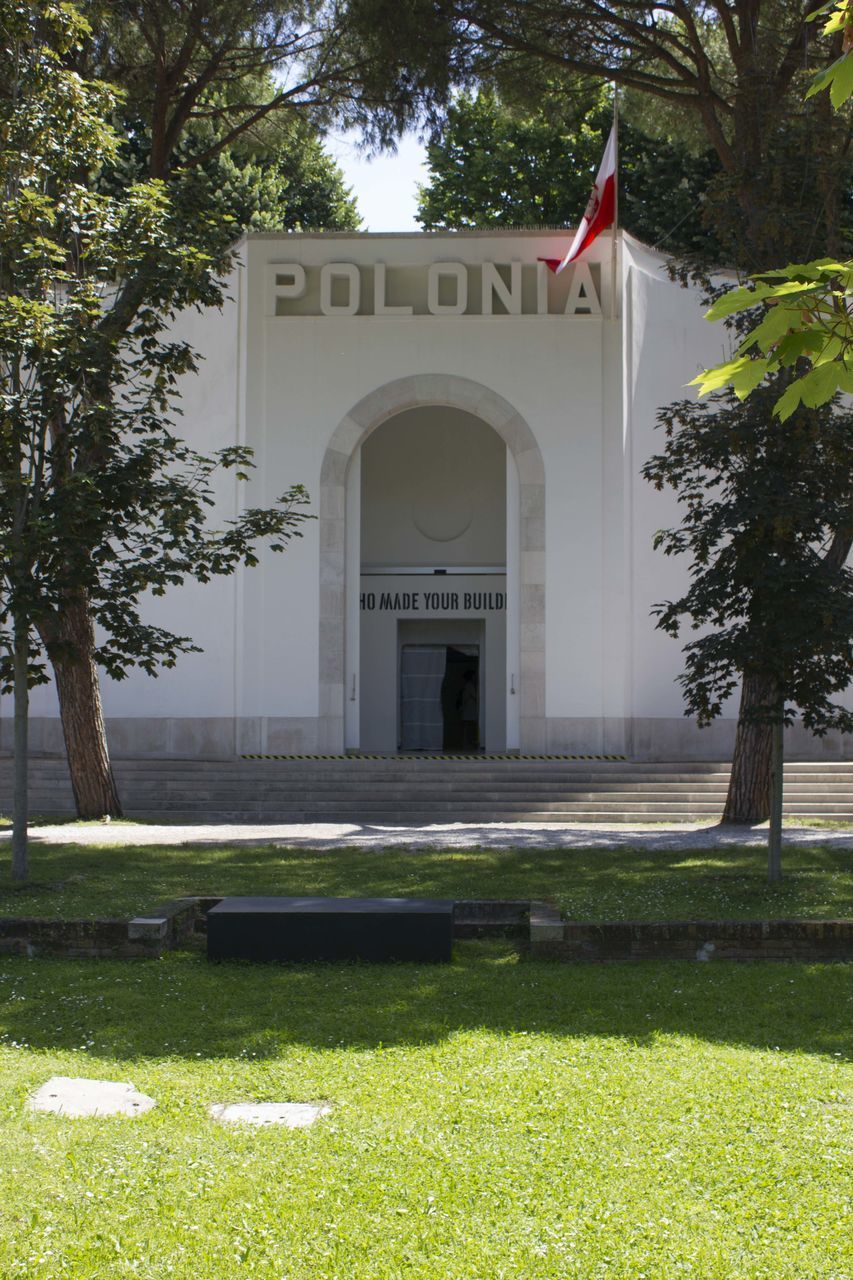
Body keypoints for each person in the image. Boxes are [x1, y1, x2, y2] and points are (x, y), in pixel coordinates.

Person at [459, 669, 479, 750]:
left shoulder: (466, 685)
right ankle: (468, 743)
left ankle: (467, 743)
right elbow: (475, 697)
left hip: (467, 709)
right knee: (469, 727)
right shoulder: (470, 685)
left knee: (467, 726)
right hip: (470, 709)